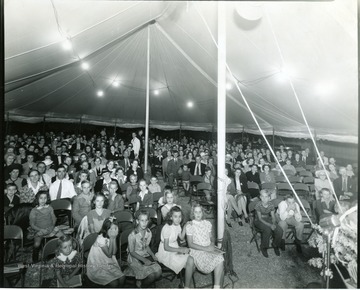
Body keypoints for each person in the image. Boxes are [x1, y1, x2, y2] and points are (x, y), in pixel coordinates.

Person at [185, 203, 224, 289]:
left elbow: (211, 237)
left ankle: (216, 287)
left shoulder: (207, 223)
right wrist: (206, 248)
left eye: (200, 212)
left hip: (208, 248)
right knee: (216, 259)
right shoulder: (190, 225)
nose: (198, 214)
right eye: (196, 212)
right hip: (197, 250)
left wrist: (212, 244)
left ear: (202, 213)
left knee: (220, 259)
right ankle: (186, 286)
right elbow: (190, 244)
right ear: (192, 213)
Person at [156, 206, 194, 288]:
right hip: (166, 252)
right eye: (175, 216)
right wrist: (181, 249)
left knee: (191, 260)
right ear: (170, 217)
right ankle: (184, 283)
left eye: (180, 216)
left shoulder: (177, 225)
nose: (178, 219)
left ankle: (184, 283)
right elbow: (166, 247)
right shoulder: (167, 228)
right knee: (188, 263)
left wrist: (185, 226)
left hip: (175, 247)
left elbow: (181, 238)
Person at [86, 217, 125, 287]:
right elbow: (109, 255)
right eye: (111, 229)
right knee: (115, 283)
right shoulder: (101, 239)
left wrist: (114, 238)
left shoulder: (112, 236)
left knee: (122, 277)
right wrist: (112, 238)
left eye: (115, 228)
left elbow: (114, 253)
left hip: (108, 262)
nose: (113, 231)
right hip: (98, 265)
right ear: (106, 229)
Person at [127, 210, 162, 288]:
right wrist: (144, 260)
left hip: (145, 254)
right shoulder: (132, 235)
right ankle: (142, 285)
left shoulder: (148, 232)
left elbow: (146, 246)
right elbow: (132, 252)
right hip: (135, 257)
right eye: (142, 220)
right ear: (137, 221)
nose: (144, 223)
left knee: (158, 272)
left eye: (146, 220)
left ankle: (143, 281)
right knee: (151, 276)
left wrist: (153, 255)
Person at [28, 190, 65, 262]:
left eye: (45, 198)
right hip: (39, 230)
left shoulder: (49, 208)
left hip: (51, 228)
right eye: (41, 198)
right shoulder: (34, 210)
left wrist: (51, 228)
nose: (43, 200)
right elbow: (32, 224)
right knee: (37, 244)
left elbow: (54, 219)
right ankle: (35, 261)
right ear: (37, 199)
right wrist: (40, 230)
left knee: (64, 238)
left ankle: (63, 256)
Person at [253, 189, 283, 258]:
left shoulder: (271, 204)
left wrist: (273, 224)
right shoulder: (258, 205)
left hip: (268, 219)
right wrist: (270, 225)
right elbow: (260, 218)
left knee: (279, 230)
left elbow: (273, 216)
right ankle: (264, 247)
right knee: (267, 230)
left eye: (266, 197)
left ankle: (275, 244)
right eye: (262, 196)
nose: (264, 199)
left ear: (269, 198)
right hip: (258, 220)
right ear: (260, 197)